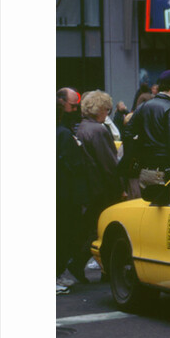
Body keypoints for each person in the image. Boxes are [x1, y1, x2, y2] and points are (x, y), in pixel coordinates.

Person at [73, 90, 124, 283]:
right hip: (103, 188)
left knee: (92, 227)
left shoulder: (83, 127)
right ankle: (99, 267)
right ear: (99, 109)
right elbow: (109, 165)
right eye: (106, 109)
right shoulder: (99, 130)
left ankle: (79, 262)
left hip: (91, 186)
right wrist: (121, 188)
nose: (108, 112)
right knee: (103, 229)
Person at [123, 69, 170, 192]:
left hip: (144, 172)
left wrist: (139, 156)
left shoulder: (144, 106)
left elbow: (128, 134)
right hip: (164, 173)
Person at [56, 88, 92, 294]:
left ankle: (57, 273)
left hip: (61, 193)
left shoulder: (63, 132)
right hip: (64, 195)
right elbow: (74, 167)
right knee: (63, 235)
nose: (75, 110)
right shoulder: (63, 134)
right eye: (71, 106)